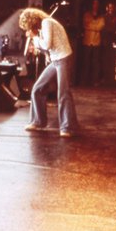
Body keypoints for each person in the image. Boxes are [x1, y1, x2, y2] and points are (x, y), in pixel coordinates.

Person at [19, 8, 78, 137]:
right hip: (56, 60)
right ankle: (38, 121)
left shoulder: (47, 23)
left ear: (32, 23)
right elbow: (48, 47)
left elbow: (47, 44)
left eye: (28, 28)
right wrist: (46, 54)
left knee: (63, 92)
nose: (29, 30)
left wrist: (35, 38)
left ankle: (67, 128)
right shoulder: (43, 26)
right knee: (37, 88)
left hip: (63, 58)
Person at [81, 0, 105, 86]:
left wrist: (91, 26)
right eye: (94, 3)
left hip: (96, 42)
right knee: (86, 62)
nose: (95, 5)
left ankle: (95, 81)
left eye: (97, 3)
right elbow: (85, 24)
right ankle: (84, 81)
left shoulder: (101, 16)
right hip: (87, 42)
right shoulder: (87, 15)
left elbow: (100, 27)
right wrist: (95, 26)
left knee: (96, 63)